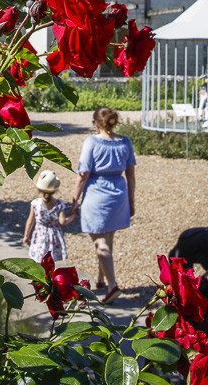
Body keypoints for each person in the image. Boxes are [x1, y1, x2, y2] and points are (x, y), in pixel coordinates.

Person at [71, 107, 135, 305]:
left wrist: (74, 201)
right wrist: (131, 201)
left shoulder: (91, 142)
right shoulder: (125, 142)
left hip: (97, 193)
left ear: (96, 123)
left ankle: (112, 285)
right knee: (108, 238)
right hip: (118, 193)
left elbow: (83, 174)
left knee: (100, 242)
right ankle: (100, 279)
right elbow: (131, 175)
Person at [23, 170, 75, 263]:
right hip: (54, 236)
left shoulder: (35, 204)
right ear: (55, 190)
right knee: (51, 261)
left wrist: (26, 236)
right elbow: (63, 221)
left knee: (39, 261)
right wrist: (73, 216)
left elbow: (30, 221)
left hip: (40, 235)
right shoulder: (58, 204)